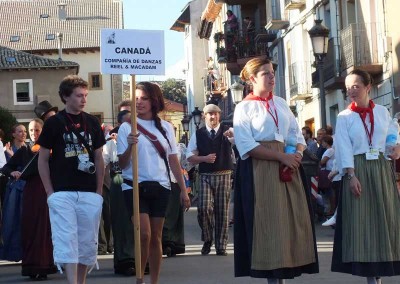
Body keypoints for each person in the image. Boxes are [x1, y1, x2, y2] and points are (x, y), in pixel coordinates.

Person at [233, 57, 319, 283]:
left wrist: (297, 154)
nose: (272, 77)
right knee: (268, 221)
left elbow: (296, 135)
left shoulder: (280, 103)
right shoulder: (244, 107)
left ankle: (288, 266)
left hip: (288, 166)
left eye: (272, 72)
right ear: (252, 79)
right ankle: (272, 274)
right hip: (260, 170)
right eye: (266, 74)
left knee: (290, 221)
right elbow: (246, 145)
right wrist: (281, 156)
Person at [117, 82, 190, 284]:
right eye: (137, 98)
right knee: (144, 234)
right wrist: (130, 146)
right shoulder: (126, 127)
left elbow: (173, 160)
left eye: (144, 98)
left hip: (162, 186)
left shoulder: (166, 127)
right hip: (134, 185)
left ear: (154, 101)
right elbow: (122, 165)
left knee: (156, 236)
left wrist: (183, 190)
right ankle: (140, 278)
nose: (139, 102)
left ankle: (154, 281)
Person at [331, 69, 400, 284]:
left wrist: (395, 146)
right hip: (358, 168)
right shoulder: (344, 117)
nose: (351, 91)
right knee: (362, 221)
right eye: (348, 87)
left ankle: (380, 271)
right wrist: (350, 175)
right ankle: (370, 276)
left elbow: (392, 132)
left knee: (383, 218)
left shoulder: (382, 112)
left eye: (356, 86)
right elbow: (342, 146)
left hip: (380, 167)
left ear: (367, 87)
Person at [37, 75, 105, 284]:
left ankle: (80, 282)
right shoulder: (54, 124)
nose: (84, 100)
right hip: (62, 191)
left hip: (88, 191)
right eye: (78, 96)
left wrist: (99, 191)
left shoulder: (93, 122)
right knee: (67, 240)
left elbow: (99, 158)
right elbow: (43, 160)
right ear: (66, 96)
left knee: (87, 243)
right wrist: (50, 191)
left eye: (85, 95)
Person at [186, 104, 234, 257]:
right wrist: (204, 158)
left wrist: (233, 135)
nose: (213, 117)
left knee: (222, 211)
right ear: (204, 116)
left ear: (219, 116)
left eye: (215, 114)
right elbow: (190, 157)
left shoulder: (228, 131)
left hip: (224, 174)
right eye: (210, 114)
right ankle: (208, 238)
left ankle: (221, 246)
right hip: (206, 176)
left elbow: (238, 140)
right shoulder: (198, 134)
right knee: (203, 208)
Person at [319, 135, 335, 215]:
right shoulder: (328, 150)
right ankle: (331, 208)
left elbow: (323, 161)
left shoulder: (330, 150)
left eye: (323, 142)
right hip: (328, 171)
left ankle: (332, 209)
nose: (322, 144)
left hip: (329, 171)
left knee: (330, 191)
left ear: (326, 142)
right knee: (328, 191)